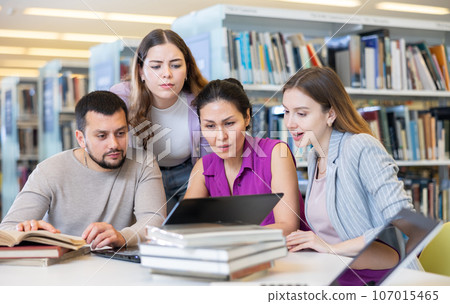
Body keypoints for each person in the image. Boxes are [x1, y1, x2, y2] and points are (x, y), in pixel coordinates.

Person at [0, 91, 166, 249]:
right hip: (62, 267)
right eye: (102, 136)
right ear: (81, 139)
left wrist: (123, 237)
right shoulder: (49, 171)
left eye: (120, 133)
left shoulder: (144, 163)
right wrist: (23, 230)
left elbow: (154, 219)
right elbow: (7, 228)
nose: (114, 144)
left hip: (118, 266)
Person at [282, 67, 412, 256]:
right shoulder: (314, 157)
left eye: (301, 114)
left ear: (330, 115)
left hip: (379, 276)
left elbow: (402, 221)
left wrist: (332, 249)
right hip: (337, 271)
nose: (289, 123)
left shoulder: (359, 146)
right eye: (286, 111)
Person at [184, 78, 301, 236]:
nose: (221, 136)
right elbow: (184, 226)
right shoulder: (204, 167)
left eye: (229, 123)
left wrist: (226, 236)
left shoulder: (276, 154)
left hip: (288, 256)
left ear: (247, 117)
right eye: (210, 126)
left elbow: (288, 227)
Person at [110, 29, 209, 210]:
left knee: (194, 224)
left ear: (187, 68)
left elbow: (207, 160)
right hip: (143, 174)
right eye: (156, 66)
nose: (166, 74)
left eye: (176, 65)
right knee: (152, 230)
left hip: (189, 172)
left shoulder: (201, 100)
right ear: (140, 70)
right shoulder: (122, 97)